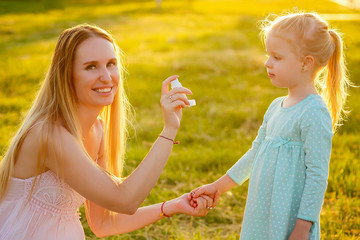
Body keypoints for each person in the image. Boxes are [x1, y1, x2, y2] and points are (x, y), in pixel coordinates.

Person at [0, 24, 213, 239]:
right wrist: (169, 129)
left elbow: (103, 223)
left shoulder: (97, 130)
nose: (106, 77)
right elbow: (125, 200)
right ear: (67, 75)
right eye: (91, 66)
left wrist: (174, 205)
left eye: (111, 64)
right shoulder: (49, 134)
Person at [189, 12, 351, 240]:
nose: (267, 62)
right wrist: (218, 186)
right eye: (268, 55)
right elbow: (255, 153)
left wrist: (303, 228)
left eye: (277, 57)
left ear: (306, 63)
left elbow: (317, 176)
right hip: (263, 211)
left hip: (290, 219)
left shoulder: (313, 113)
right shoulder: (276, 106)